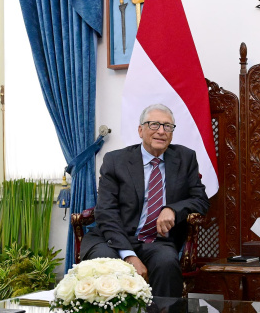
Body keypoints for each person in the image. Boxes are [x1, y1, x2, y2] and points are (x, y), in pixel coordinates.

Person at [79, 103, 210, 298]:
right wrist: (129, 256)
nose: (161, 131)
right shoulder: (116, 161)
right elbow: (106, 211)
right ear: (140, 130)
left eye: (167, 126)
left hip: (156, 240)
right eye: (154, 125)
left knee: (166, 262)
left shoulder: (185, 158)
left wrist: (172, 209)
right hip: (113, 238)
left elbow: (201, 200)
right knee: (106, 264)